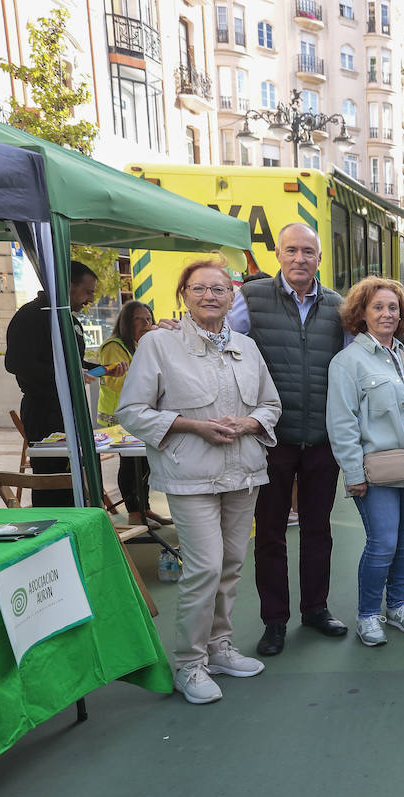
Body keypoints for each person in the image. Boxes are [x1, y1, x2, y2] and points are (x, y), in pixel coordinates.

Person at [117, 260, 282, 704]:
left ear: (232, 297)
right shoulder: (159, 344)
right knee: (205, 567)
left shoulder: (247, 347)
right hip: (192, 476)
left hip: (243, 471)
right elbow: (132, 410)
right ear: (183, 294)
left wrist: (249, 423)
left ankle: (219, 647)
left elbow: (271, 404)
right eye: (199, 288)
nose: (210, 296)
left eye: (219, 289)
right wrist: (194, 426)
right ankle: (189, 664)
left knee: (230, 565)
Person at [225, 223, 350, 656]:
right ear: (278, 254)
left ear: (319, 259)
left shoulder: (337, 306)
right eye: (292, 250)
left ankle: (315, 608)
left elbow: (353, 364)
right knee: (271, 535)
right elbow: (216, 338)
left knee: (318, 531)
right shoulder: (250, 300)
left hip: (320, 439)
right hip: (270, 440)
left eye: (308, 252)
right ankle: (274, 621)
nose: (300, 259)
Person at [327, 277, 404, 647]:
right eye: (378, 307)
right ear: (361, 313)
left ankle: (396, 605)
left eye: (393, 307)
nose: (387, 313)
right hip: (376, 472)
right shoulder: (348, 362)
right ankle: (367, 614)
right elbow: (341, 422)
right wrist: (353, 472)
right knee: (382, 543)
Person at [5, 260, 109, 507]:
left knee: (77, 473)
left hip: (72, 411)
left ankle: (81, 528)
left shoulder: (68, 318)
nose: (90, 299)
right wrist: (67, 377)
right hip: (44, 413)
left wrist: (104, 369)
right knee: (52, 476)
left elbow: (74, 363)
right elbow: (17, 363)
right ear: (68, 285)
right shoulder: (31, 315)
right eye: (88, 291)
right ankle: (53, 534)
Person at [98, 300, 168, 529]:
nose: (146, 324)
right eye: (140, 319)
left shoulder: (144, 345)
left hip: (142, 415)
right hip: (118, 418)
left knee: (144, 462)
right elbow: (113, 381)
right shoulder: (114, 346)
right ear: (127, 322)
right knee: (130, 465)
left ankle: (144, 508)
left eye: (149, 319)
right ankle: (134, 514)